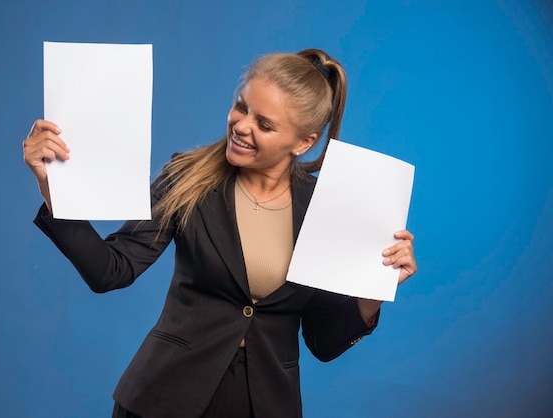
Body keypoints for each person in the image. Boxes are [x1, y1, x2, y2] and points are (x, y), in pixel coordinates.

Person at [23, 48, 417, 418]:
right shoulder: (187, 176)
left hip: (266, 403)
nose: (241, 126)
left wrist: (372, 292)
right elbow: (111, 270)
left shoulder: (325, 209)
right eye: (241, 107)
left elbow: (323, 341)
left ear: (304, 142)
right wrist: (52, 187)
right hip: (164, 397)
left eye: (264, 124)